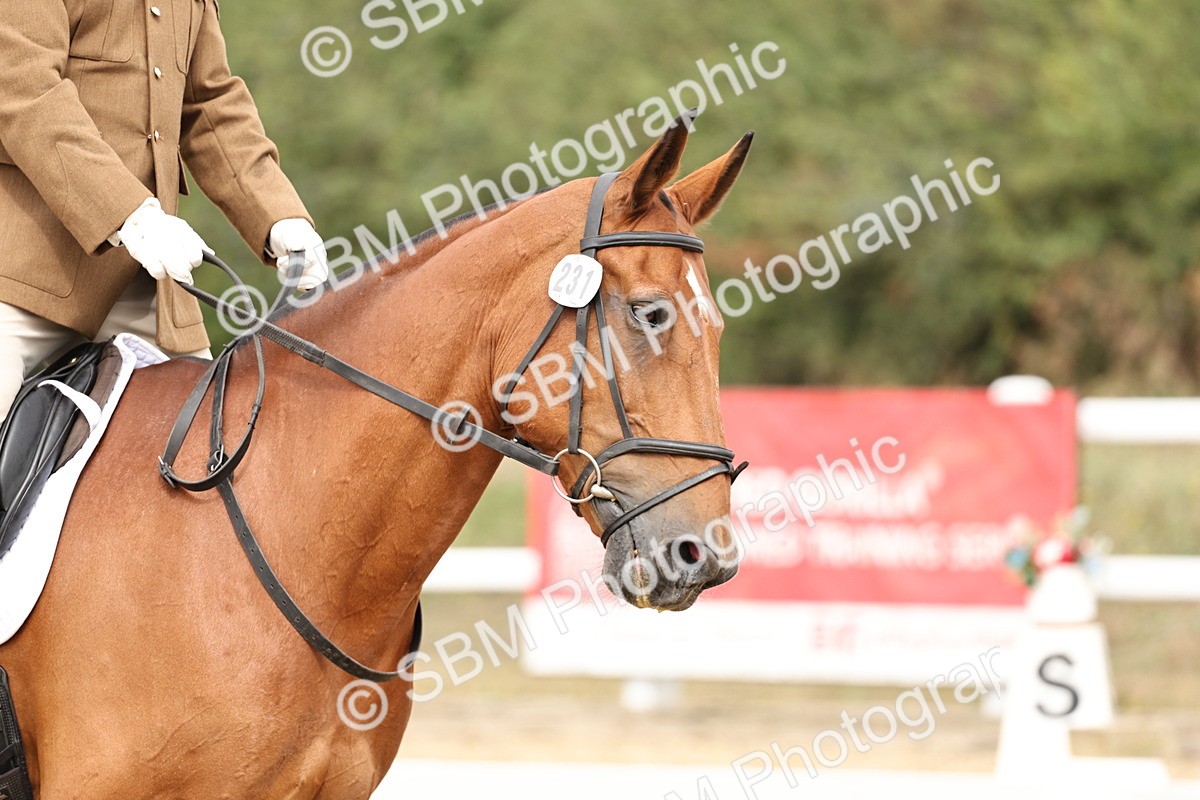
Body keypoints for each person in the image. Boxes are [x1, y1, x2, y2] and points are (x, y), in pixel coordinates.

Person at [0, 1, 329, 425]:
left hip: (144, 282)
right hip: (20, 270)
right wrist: (129, 214)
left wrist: (279, 215)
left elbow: (209, 105)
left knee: (218, 436)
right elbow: (24, 90)